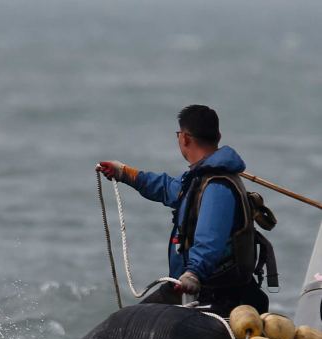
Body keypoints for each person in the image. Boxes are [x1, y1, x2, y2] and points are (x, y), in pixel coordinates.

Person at [97, 104, 275, 316]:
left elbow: (210, 239)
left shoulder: (217, 187)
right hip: (195, 287)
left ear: (185, 138)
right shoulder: (200, 180)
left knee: (129, 325)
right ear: (217, 135)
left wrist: (193, 274)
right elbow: (166, 188)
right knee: (126, 322)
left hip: (216, 294)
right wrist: (125, 173)